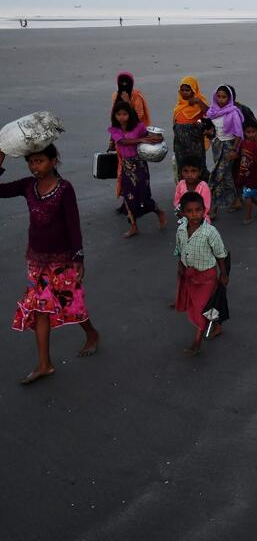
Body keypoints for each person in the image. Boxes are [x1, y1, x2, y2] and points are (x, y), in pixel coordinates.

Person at [0, 145, 100, 384]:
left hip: (62, 260)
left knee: (71, 304)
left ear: (54, 161)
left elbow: (73, 225)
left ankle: (91, 333)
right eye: (31, 162)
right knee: (40, 308)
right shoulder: (28, 185)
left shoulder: (65, 189)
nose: (35, 166)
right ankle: (45, 364)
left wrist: (78, 257)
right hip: (36, 260)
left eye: (40, 161)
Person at [174, 192, 229, 356]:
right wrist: (180, 265)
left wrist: (223, 274)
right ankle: (217, 326)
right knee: (206, 304)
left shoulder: (210, 232)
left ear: (204, 209)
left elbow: (220, 254)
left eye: (198, 210)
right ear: (183, 212)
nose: (194, 215)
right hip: (190, 276)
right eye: (189, 211)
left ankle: (197, 341)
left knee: (200, 308)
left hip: (207, 277)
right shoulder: (181, 229)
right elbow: (179, 249)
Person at [108, 101, 167, 238]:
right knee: (128, 197)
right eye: (118, 114)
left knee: (143, 195)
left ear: (130, 114)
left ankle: (158, 211)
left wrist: (157, 138)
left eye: (124, 114)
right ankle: (134, 226)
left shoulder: (138, 127)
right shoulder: (115, 130)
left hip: (140, 165)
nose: (121, 117)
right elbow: (122, 141)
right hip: (126, 167)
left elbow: (152, 137)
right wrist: (141, 140)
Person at [109, 72, 152, 209]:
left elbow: (138, 118)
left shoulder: (136, 97)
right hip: (121, 139)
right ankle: (126, 202)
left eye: (126, 83)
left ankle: (142, 201)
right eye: (121, 83)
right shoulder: (115, 96)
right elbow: (114, 118)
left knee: (139, 175)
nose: (124, 85)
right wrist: (111, 140)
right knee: (122, 173)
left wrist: (127, 102)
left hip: (135, 139)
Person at [206, 85, 244, 218]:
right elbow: (212, 129)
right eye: (219, 96)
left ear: (229, 98)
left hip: (228, 146)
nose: (221, 99)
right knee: (226, 175)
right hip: (217, 145)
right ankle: (236, 200)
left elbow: (238, 134)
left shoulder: (233, 113)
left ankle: (214, 208)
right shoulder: (212, 111)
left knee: (217, 175)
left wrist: (234, 150)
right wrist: (209, 133)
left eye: (224, 97)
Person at [173, 76, 210, 178]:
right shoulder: (179, 104)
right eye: (182, 90)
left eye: (187, 90)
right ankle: (183, 185)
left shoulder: (199, 101)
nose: (184, 92)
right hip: (180, 144)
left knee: (197, 164)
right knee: (182, 166)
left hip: (194, 142)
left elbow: (208, 113)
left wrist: (198, 101)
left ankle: (201, 185)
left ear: (193, 90)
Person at [236, 121, 257, 225]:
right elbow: (240, 156)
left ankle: (248, 217)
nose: (251, 134)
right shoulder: (243, 143)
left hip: (251, 175)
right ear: (244, 132)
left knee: (247, 196)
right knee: (249, 193)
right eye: (248, 132)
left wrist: (250, 172)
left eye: (253, 132)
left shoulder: (256, 146)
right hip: (244, 172)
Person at [174, 156, 211, 223]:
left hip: (201, 220)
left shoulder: (203, 186)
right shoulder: (181, 184)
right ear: (181, 172)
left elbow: (206, 207)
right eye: (186, 171)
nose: (189, 174)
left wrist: (194, 215)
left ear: (200, 172)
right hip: (184, 219)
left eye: (193, 171)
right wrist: (181, 213)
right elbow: (177, 202)